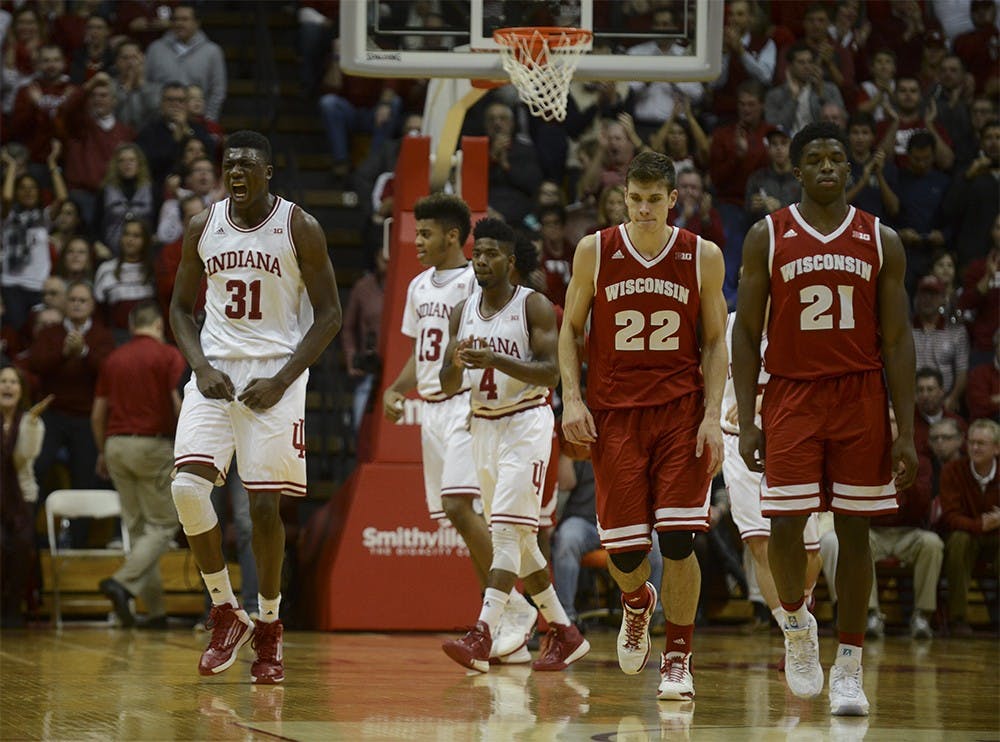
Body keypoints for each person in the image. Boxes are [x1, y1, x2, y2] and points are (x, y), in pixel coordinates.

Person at [732, 121, 917, 716]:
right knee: (785, 526)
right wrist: (751, 415)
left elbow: (897, 338)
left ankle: (851, 667)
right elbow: (745, 333)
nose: (829, 166)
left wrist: (905, 428)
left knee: (856, 530)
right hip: (789, 394)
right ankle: (797, 627)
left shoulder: (881, 238)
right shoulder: (768, 235)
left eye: (838, 157)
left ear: (849, 165)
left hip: (860, 394)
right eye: (816, 158)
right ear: (797, 169)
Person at [169, 130, 342, 684]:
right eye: (229, 166)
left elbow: (330, 314)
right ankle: (225, 609)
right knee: (186, 487)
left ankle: (269, 625)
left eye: (247, 166)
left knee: (263, 510)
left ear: (268, 173)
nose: (236, 174)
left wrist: (283, 378)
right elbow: (177, 310)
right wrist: (200, 367)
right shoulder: (204, 225)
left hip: (277, 375)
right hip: (215, 373)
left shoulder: (300, 227)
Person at [559, 151, 728, 700]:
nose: (645, 208)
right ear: (624, 197)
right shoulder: (596, 251)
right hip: (615, 415)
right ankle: (637, 603)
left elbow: (716, 341)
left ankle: (678, 656)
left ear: (673, 200)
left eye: (656, 199)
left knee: (679, 542)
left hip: (680, 412)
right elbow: (570, 332)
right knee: (627, 553)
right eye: (636, 199)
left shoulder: (701, 255)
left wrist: (712, 417)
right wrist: (573, 399)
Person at [381, 193, 538, 661]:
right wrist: (396, 388)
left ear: (453, 236)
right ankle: (503, 628)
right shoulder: (417, 287)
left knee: (462, 508)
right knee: (464, 517)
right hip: (431, 408)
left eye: (425, 233)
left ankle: (516, 608)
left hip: (464, 405)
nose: (417, 241)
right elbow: (424, 354)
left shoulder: (478, 280)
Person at [439, 217, 590, 673]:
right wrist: (454, 361)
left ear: (510, 260)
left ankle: (482, 634)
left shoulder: (534, 306)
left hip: (526, 423)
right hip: (483, 427)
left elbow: (552, 372)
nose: (480, 261)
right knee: (521, 542)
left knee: (505, 531)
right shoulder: (460, 311)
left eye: (490, 254)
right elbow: (448, 384)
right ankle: (564, 633)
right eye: (476, 253)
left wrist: (497, 359)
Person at [92, 302, 185, 629]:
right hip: (152, 444)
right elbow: (178, 403)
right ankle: (121, 582)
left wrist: (102, 451)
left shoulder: (114, 358)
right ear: (159, 325)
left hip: (116, 444)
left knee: (139, 531)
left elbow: (97, 413)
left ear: (132, 325)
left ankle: (156, 613)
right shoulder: (168, 355)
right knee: (163, 527)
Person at [0, 366, 51, 627]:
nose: (8, 386)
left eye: (13, 382)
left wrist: (28, 425)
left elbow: (22, 459)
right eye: (3, 381)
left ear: (21, 390)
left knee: (20, 549)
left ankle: (13, 609)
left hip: (22, 496)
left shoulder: (33, 422)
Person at [940, 418, 1000, 637]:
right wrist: (980, 525)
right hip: (967, 534)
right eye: (972, 442)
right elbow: (950, 516)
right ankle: (958, 618)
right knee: (958, 540)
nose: (975, 447)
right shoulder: (953, 470)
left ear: (997, 448)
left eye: (981, 443)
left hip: (997, 535)